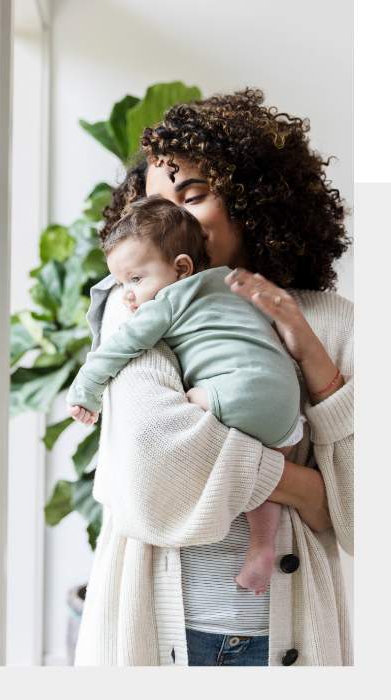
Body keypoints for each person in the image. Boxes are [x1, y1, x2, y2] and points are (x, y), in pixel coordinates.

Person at [73, 88, 353, 666]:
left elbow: (366, 518)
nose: (170, 219)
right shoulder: (143, 306)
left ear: (252, 198)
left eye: (192, 195)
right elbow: (154, 466)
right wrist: (305, 487)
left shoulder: (334, 320)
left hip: (294, 640)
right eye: (152, 208)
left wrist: (316, 362)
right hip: (155, 634)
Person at [67, 196, 306, 596]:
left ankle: (246, 542)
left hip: (232, 393)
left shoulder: (169, 300)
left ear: (181, 268)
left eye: (135, 279)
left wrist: (86, 390)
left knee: (189, 405)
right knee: (265, 482)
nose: (126, 295)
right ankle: (262, 547)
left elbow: (121, 347)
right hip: (285, 410)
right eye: (121, 282)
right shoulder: (233, 282)